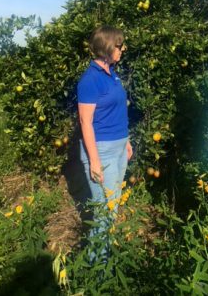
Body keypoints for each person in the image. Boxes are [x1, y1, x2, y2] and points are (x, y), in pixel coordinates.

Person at [77, 26, 132, 256]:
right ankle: (95, 272)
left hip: (119, 148)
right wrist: (95, 161)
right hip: (102, 152)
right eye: (119, 45)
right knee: (104, 213)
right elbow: (85, 122)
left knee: (113, 206)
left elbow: (118, 111)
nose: (122, 49)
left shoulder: (112, 73)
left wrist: (126, 141)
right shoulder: (90, 80)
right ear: (107, 47)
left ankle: (105, 261)